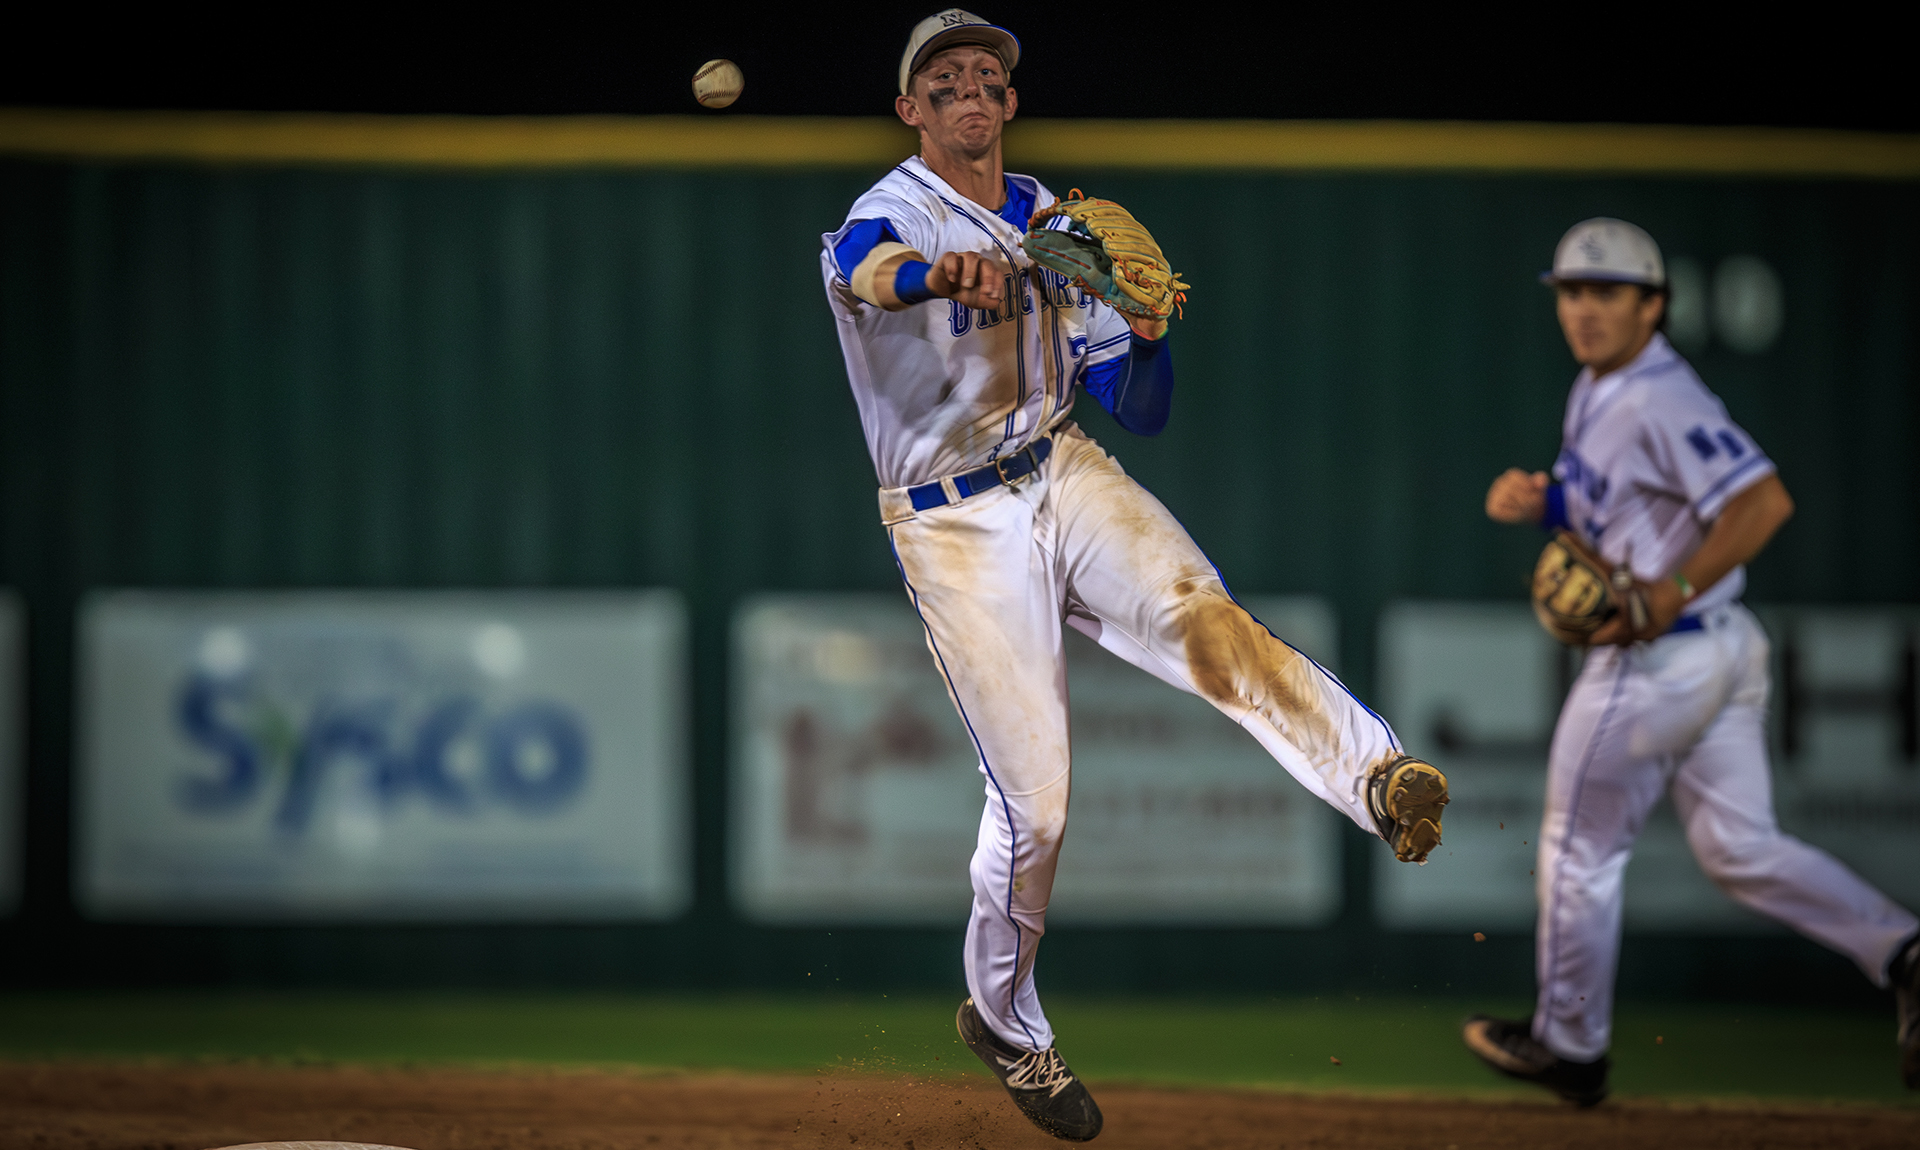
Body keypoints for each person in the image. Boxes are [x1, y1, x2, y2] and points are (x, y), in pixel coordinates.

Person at [818, 9, 1450, 1142]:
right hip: (953, 520)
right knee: (1038, 810)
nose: (970, 92)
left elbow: (1139, 408)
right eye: (943, 80)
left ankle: (1379, 778)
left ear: (1010, 104)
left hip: (1061, 463)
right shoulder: (895, 209)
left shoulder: (1065, 228)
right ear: (912, 109)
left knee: (1207, 622)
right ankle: (1007, 1023)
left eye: (986, 78)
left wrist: (1149, 331)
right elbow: (867, 272)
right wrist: (930, 274)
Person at [1465, 217, 1920, 1105]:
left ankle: (1569, 1045)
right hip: (1722, 650)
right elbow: (1609, 497)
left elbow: (1762, 502)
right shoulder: (1605, 386)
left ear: (1655, 305)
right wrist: (1545, 497)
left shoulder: (1658, 395)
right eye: (1573, 292)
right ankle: (1904, 951)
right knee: (1740, 847)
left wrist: (1670, 586)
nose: (1587, 310)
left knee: (1576, 846)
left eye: (1609, 292)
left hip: (1659, 658)